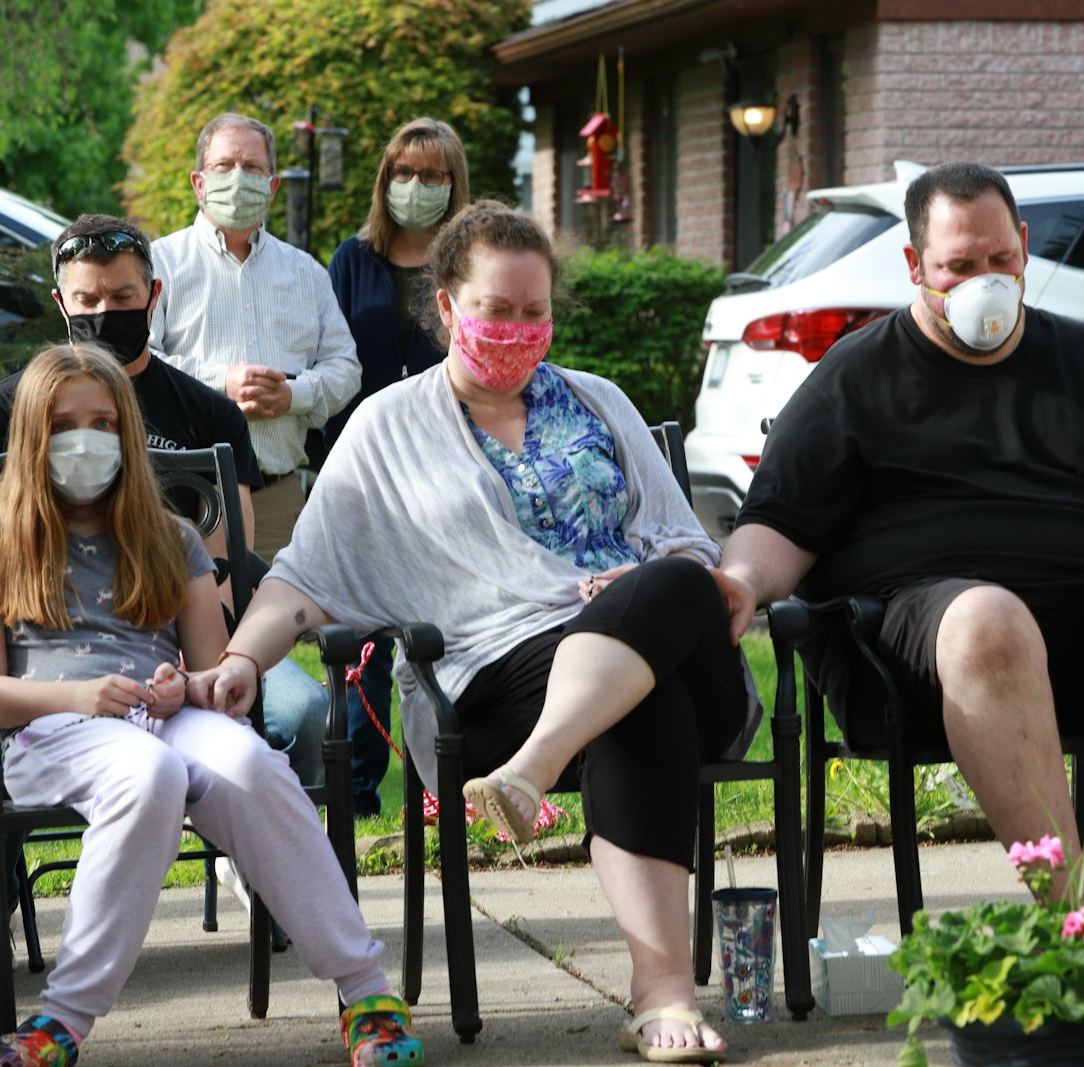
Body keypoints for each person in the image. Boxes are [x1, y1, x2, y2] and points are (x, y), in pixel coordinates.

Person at [713, 162, 1084, 1014]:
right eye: (955, 266)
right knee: (989, 616)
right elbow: (780, 527)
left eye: (998, 258)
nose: (983, 280)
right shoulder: (853, 377)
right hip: (924, 658)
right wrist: (738, 584)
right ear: (916, 268)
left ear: (1024, 248)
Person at [190, 201, 744, 1063]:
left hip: (656, 638)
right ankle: (663, 990)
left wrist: (628, 582)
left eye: (535, 311)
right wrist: (239, 658)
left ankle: (536, 770)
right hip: (490, 679)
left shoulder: (601, 402)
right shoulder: (385, 425)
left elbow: (686, 544)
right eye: (497, 309)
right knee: (641, 701)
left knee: (669, 582)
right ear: (446, 307)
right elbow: (303, 579)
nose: (518, 329)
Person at [0, 344, 421, 1067]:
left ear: (128, 435)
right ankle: (64, 1020)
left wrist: (195, 686)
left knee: (251, 763)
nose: (86, 438)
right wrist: (82, 694)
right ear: (30, 436)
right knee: (147, 771)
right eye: (65, 422)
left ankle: (368, 995)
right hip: (51, 729)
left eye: (104, 422)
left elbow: (210, 672)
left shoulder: (171, 536)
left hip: (165, 717)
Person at [0, 215, 328, 791]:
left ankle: (249, 858)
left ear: (154, 296)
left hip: (186, 642)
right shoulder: (5, 410)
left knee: (303, 714)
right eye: (87, 299)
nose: (104, 311)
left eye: (122, 296)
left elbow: (228, 560)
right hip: (45, 663)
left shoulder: (210, 414)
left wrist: (197, 670)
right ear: (62, 304)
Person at [326, 117, 465, 818]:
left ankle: (439, 783)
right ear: (385, 181)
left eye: (434, 175)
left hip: (449, 467)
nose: (417, 186)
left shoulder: (468, 263)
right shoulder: (353, 261)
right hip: (369, 467)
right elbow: (334, 362)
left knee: (440, 625)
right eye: (404, 173)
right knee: (365, 636)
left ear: (453, 184)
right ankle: (357, 790)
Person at [149, 112, 361, 561]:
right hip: (178, 495)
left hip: (275, 498)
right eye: (224, 166)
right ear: (198, 182)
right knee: (174, 628)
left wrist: (295, 395)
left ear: (273, 185)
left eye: (253, 168)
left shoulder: (306, 273)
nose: (238, 177)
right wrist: (221, 383)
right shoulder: (158, 264)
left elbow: (346, 367)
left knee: (269, 625)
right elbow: (138, 359)